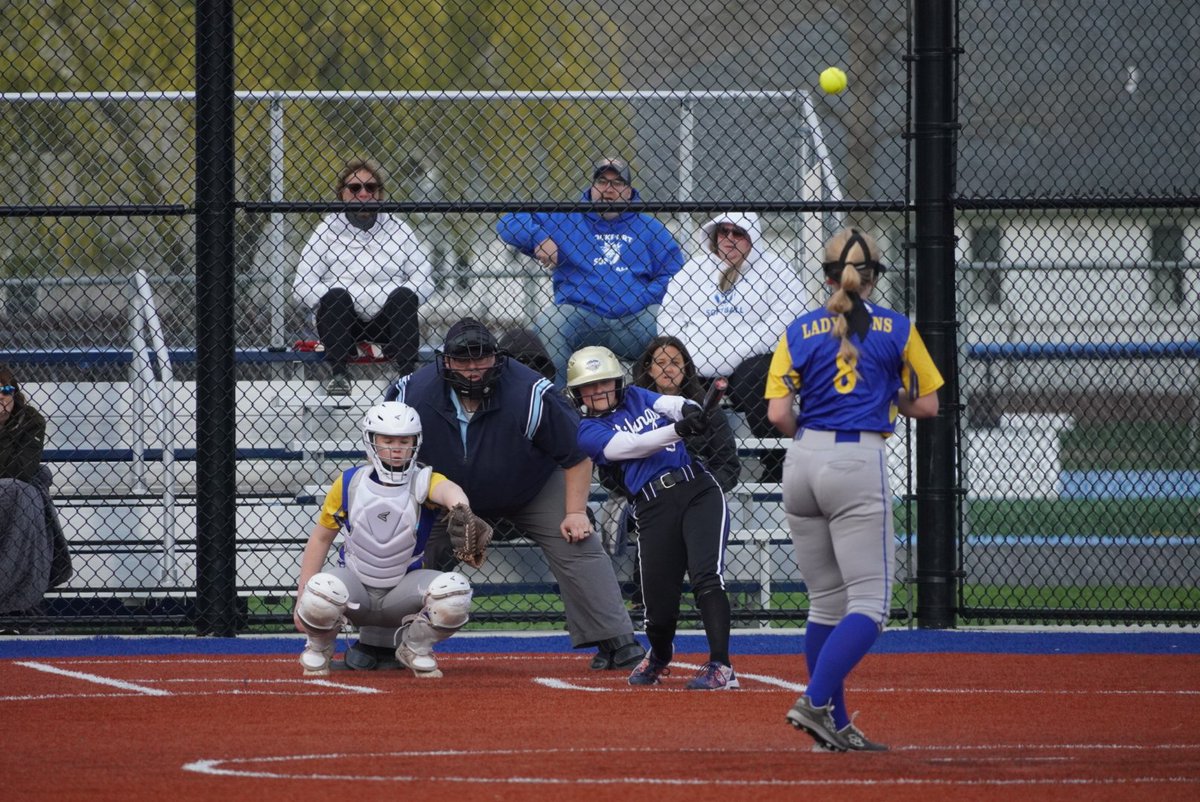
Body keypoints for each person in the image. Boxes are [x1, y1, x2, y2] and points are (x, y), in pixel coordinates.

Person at [765, 228, 944, 751]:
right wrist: (888, 392)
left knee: (825, 604)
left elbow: (779, 414)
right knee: (870, 604)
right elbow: (928, 405)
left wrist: (814, 440)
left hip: (801, 459)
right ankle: (814, 701)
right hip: (856, 459)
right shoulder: (896, 327)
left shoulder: (798, 328)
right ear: (873, 277)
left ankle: (834, 728)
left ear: (826, 275)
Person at [385, 318, 644, 671]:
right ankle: (381, 642)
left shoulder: (531, 391)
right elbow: (388, 450)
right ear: (444, 360)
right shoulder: (411, 392)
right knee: (397, 539)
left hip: (530, 487)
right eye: (463, 360)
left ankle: (617, 638)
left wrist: (575, 512)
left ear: (498, 358)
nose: (473, 369)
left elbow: (577, 453)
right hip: (445, 496)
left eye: (481, 359)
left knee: (577, 540)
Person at [567, 345, 738, 690]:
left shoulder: (635, 395)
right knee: (658, 609)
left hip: (697, 491)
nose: (598, 390)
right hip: (651, 506)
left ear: (617, 380)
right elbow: (629, 446)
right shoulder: (586, 431)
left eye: (605, 382)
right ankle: (660, 655)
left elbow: (670, 404)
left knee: (708, 577)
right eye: (589, 385)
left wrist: (691, 410)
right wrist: (680, 430)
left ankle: (721, 666)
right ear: (577, 393)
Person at [292, 401, 480, 678]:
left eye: (404, 440)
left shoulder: (424, 480)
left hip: (402, 592)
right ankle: (320, 647)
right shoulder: (349, 483)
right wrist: (302, 597)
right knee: (320, 591)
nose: (396, 447)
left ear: (416, 442)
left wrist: (461, 508)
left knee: (455, 593)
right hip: (355, 587)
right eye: (387, 440)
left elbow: (449, 490)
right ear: (371, 441)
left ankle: (414, 647)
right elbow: (321, 539)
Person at [496, 157, 685, 384]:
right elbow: (508, 221)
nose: (608, 189)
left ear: (629, 190)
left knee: (675, 323)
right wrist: (539, 238)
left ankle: (667, 403)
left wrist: (640, 298)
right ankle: (558, 404)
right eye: (602, 181)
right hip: (582, 316)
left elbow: (675, 276)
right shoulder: (567, 218)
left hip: (637, 319)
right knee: (550, 323)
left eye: (617, 183)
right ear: (592, 186)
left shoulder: (650, 228)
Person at [657, 211, 805, 443]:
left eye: (738, 233)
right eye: (723, 232)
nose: (729, 238)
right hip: (698, 363)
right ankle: (693, 459)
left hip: (750, 363)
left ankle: (773, 462)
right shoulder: (693, 270)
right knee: (665, 374)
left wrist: (738, 352)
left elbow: (788, 318)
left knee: (758, 377)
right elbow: (669, 314)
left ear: (752, 238)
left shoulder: (776, 270)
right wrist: (687, 354)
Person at [292, 157, 435, 396]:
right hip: (344, 323)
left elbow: (424, 279)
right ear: (342, 194)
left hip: (388, 322)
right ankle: (339, 375)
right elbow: (301, 286)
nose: (363, 193)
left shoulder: (398, 229)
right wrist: (341, 295)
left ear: (379, 194)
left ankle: (408, 377)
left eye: (371, 187)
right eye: (355, 188)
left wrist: (392, 294)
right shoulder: (326, 231)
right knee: (335, 297)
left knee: (404, 296)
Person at [0, 366, 71, 616]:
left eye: (6, 390)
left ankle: (16, 596)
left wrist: (4, 432)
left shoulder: (30, 420)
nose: (2, 397)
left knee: (25, 494)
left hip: (14, 494)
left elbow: (22, 469)